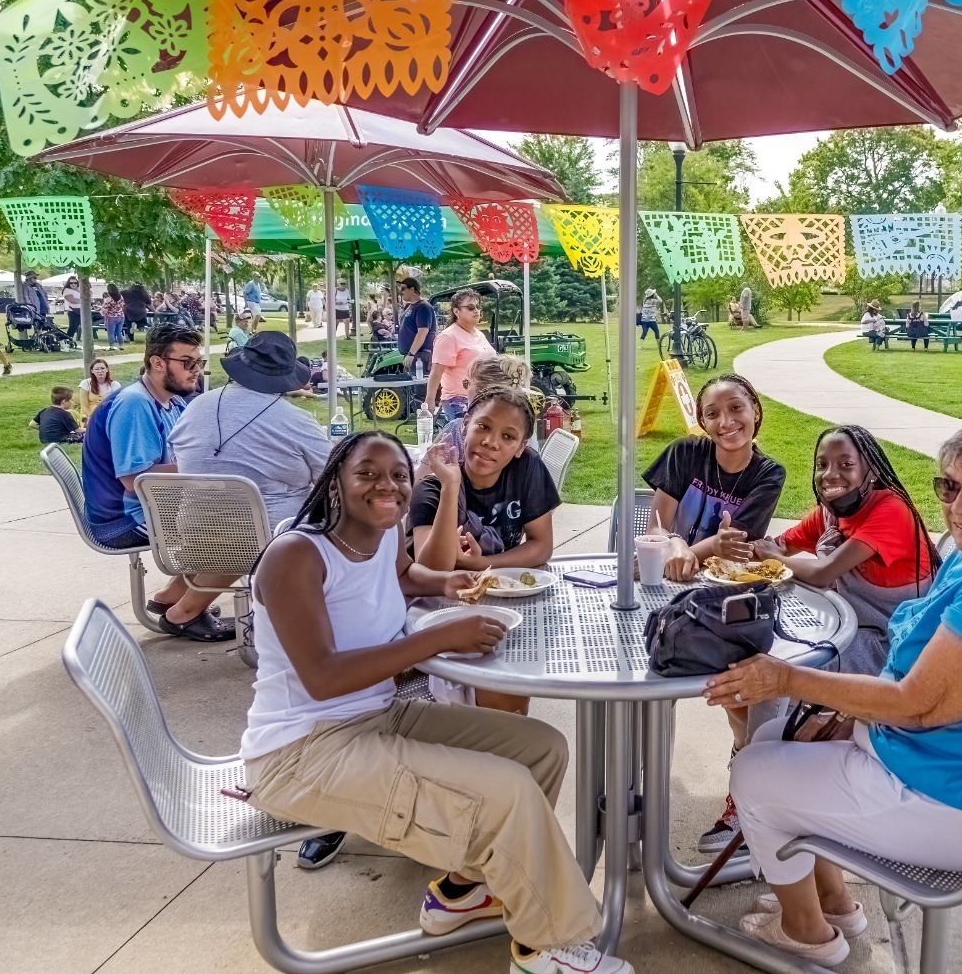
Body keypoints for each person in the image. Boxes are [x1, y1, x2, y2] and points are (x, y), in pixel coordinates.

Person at [705, 416, 962, 966]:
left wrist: (787, 677)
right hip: (953, 760)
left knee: (755, 771)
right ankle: (836, 903)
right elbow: (929, 687)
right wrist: (849, 715)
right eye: (949, 486)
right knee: (781, 733)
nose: (959, 505)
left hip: (953, 800)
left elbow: (915, 705)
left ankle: (806, 933)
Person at [238, 431, 632, 974]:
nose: (388, 486)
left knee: (540, 748)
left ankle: (464, 890)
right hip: (301, 752)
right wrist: (439, 638)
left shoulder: (377, 536)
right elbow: (323, 677)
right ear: (336, 480)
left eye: (399, 475)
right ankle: (546, 946)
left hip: (375, 716)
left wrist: (450, 582)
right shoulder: (296, 556)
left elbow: (404, 576)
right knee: (508, 792)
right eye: (368, 473)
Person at [643, 373, 786, 850]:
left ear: (756, 410)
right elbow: (657, 523)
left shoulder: (768, 474)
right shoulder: (685, 454)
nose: (726, 422)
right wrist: (680, 544)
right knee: (647, 681)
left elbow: (735, 549)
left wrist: (693, 548)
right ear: (701, 421)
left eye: (736, 409)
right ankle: (635, 791)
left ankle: (747, 798)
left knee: (737, 692)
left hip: (720, 597)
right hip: (661, 586)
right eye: (713, 413)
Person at [81, 323, 234, 643]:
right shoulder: (135, 405)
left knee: (234, 509)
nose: (196, 371)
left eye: (199, 363)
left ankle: (170, 597)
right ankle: (186, 614)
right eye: (188, 363)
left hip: (150, 506)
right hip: (122, 519)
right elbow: (134, 479)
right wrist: (203, 470)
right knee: (243, 530)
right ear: (157, 362)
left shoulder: (172, 399)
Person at [752, 424, 939, 684]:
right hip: (845, 629)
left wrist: (776, 560)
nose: (830, 474)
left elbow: (822, 572)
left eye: (845, 464)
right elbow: (778, 546)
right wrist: (730, 545)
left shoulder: (892, 511)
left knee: (773, 673)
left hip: (889, 643)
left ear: (871, 472)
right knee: (755, 661)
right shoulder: (831, 514)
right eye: (822, 465)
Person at [170, 332, 332, 529]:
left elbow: (178, 458)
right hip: (279, 549)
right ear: (285, 378)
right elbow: (332, 479)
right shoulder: (297, 420)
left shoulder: (195, 407)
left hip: (197, 545)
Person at [411, 384, 558, 575]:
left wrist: (482, 563)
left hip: (497, 591)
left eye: (508, 436)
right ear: (465, 426)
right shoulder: (431, 489)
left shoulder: (526, 467)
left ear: (521, 447)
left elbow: (541, 546)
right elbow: (430, 572)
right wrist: (451, 486)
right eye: (483, 426)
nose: (491, 442)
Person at [427, 287, 496, 420]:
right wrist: (429, 401)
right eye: (470, 307)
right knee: (465, 439)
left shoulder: (479, 334)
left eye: (478, 306)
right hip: (458, 400)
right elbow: (436, 371)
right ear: (456, 311)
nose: (476, 310)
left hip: (483, 398)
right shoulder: (448, 336)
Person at [396, 276, 436, 378]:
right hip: (413, 356)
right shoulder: (409, 307)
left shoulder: (423, 307)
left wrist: (411, 354)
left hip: (420, 356)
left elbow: (422, 332)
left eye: (403, 288)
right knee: (412, 391)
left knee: (420, 391)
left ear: (412, 289)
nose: (401, 292)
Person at [78, 358, 121, 422]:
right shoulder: (85, 383)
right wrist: (91, 418)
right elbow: (84, 406)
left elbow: (117, 404)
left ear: (107, 369)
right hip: (90, 416)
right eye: (97, 369)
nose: (100, 371)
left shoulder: (115, 385)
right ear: (92, 371)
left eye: (102, 368)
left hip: (107, 416)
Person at [101, 284, 126, 351]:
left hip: (111, 317)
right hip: (120, 316)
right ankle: (121, 345)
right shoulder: (121, 297)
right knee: (119, 332)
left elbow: (105, 310)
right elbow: (122, 305)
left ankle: (111, 346)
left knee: (111, 332)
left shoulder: (108, 299)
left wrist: (102, 311)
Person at [61, 275, 83, 341]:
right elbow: (72, 300)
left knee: (76, 327)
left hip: (81, 310)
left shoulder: (79, 290)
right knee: (72, 327)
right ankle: (67, 340)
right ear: (68, 283)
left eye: (75, 283)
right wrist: (82, 301)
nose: (73, 284)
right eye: (71, 283)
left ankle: (69, 340)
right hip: (73, 311)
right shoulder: (67, 290)